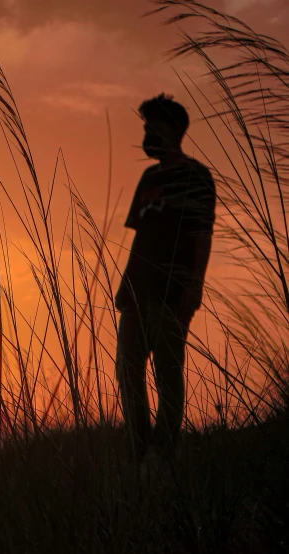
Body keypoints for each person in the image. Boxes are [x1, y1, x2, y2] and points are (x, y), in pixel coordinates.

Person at [115, 94, 216, 467]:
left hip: (173, 291)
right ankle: (140, 448)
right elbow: (140, 235)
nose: (146, 134)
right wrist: (125, 288)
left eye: (152, 127)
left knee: (168, 372)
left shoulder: (197, 176)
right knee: (128, 371)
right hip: (137, 291)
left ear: (172, 130)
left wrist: (195, 285)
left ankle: (165, 450)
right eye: (145, 127)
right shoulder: (149, 177)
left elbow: (202, 235)